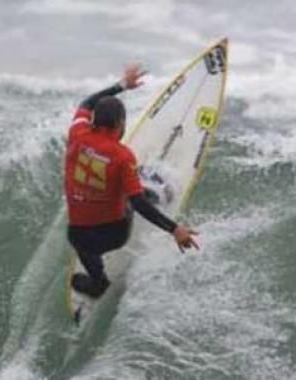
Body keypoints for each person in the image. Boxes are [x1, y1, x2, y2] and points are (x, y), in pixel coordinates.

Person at [64, 64, 199, 299]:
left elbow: (86, 102)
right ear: (120, 125)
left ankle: (98, 282)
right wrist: (174, 229)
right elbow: (137, 203)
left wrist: (122, 85)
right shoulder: (122, 156)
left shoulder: (78, 133)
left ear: (95, 121)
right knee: (132, 190)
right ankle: (159, 192)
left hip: (82, 236)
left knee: (76, 236)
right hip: (115, 234)